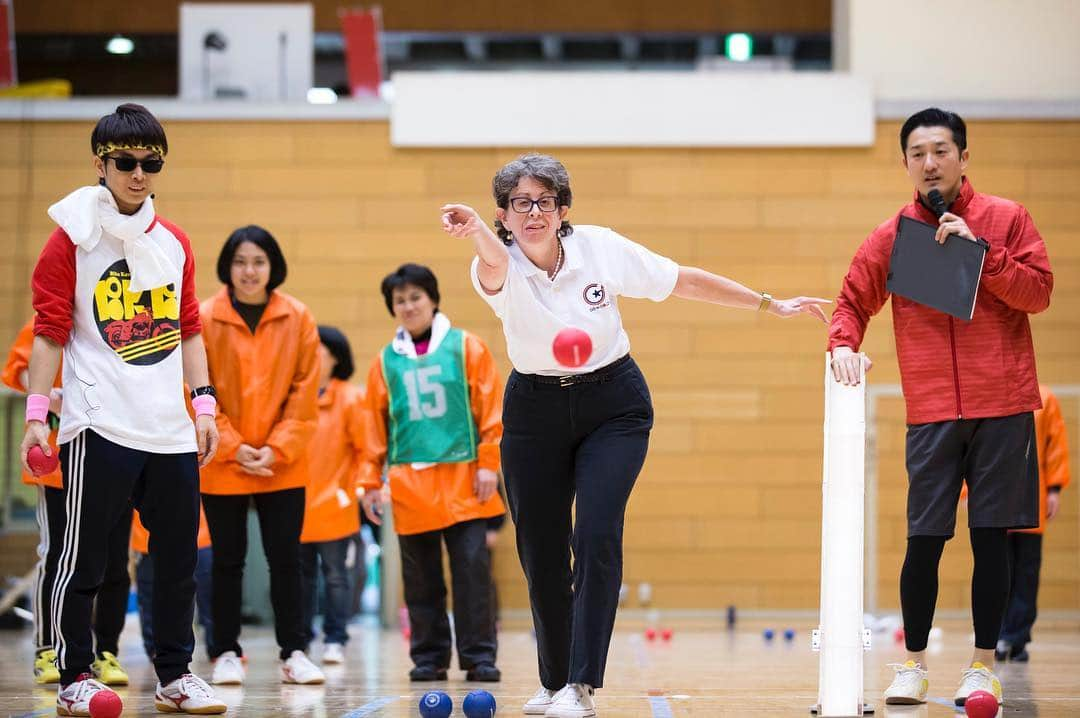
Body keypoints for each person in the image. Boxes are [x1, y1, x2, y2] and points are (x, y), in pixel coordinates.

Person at [441, 153, 828, 718]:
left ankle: (581, 685)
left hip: (613, 406)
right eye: (519, 203)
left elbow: (682, 280)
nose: (533, 212)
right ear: (503, 215)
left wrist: (769, 303)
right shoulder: (496, 266)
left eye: (544, 201)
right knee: (540, 549)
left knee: (596, 533)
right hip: (534, 410)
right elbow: (495, 264)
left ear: (562, 208)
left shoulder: (600, 248)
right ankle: (552, 681)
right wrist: (476, 230)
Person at [828, 108, 1053, 707]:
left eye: (941, 151)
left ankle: (983, 665)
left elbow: (1039, 292)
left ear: (963, 157)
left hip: (1003, 405)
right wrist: (843, 345)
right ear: (906, 164)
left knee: (990, 537)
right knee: (924, 539)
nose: (931, 163)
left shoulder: (1006, 219)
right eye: (918, 153)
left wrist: (986, 254)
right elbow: (851, 302)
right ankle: (913, 664)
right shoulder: (891, 236)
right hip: (930, 410)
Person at [19, 102, 226, 715]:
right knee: (83, 556)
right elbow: (49, 331)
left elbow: (188, 328)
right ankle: (74, 676)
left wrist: (205, 406)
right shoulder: (70, 241)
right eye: (127, 162)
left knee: (177, 562)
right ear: (100, 163)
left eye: (150, 163)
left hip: (169, 430)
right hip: (98, 423)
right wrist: (36, 413)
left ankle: (175, 676)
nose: (139, 174)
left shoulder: (175, 243)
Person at [359, 263, 506, 683]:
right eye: (399, 300)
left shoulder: (467, 347)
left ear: (434, 299)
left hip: (465, 481)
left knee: (472, 575)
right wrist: (371, 481)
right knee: (420, 580)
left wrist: (488, 465)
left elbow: (489, 410)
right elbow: (373, 426)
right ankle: (429, 657)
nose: (408, 306)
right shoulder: (385, 362)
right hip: (410, 485)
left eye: (415, 297)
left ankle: (479, 657)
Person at [199, 225, 325, 686]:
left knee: (286, 560)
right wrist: (233, 445)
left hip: (282, 462)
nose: (249, 271)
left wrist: (276, 447)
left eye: (258, 261)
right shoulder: (204, 316)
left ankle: (294, 651)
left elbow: (305, 391)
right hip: (222, 459)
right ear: (226, 267)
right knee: (226, 561)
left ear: (273, 266)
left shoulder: (298, 317)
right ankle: (225, 651)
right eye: (240, 261)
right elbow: (198, 386)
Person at [3, 318, 132, 688]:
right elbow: (21, 369)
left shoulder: (121, 320)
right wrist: (50, 394)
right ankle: (49, 647)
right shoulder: (46, 320)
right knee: (58, 553)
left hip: (115, 456)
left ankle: (107, 651)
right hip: (58, 459)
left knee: (114, 560)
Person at [299, 325, 366, 666]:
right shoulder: (295, 394)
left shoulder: (350, 397)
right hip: (297, 505)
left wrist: (350, 490)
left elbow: (365, 449)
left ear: (335, 358)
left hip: (335, 506)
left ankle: (335, 638)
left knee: (337, 576)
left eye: (319, 351)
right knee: (300, 579)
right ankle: (300, 641)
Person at [995, 384, 1070, 662]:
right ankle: (999, 635)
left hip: (1033, 498)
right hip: (996, 502)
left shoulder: (1046, 398)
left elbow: (1055, 445)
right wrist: (969, 491)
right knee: (998, 573)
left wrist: (1054, 489)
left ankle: (1017, 638)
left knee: (1026, 575)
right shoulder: (991, 393)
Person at [131, 506, 214, 661]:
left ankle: (217, 646)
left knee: (208, 590)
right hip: (146, 534)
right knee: (150, 594)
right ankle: (155, 648)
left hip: (199, 530)